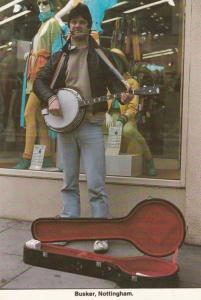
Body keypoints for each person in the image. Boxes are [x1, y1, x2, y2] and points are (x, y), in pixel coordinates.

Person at [33, 3, 132, 253]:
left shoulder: (101, 55)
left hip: (91, 126)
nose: (76, 26)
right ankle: (69, 228)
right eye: (73, 22)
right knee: (68, 182)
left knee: (96, 183)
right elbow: (39, 82)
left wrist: (123, 95)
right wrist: (51, 98)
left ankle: (100, 232)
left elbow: (116, 84)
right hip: (66, 128)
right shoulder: (60, 56)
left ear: (89, 27)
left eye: (81, 22)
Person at [15, 0, 74, 169]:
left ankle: (27, 156)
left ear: (52, 5)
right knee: (40, 117)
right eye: (39, 2)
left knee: (29, 113)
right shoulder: (44, 24)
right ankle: (47, 155)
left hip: (42, 76)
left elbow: (57, 51)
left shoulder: (53, 23)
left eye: (45, 2)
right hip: (36, 74)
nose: (41, 5)